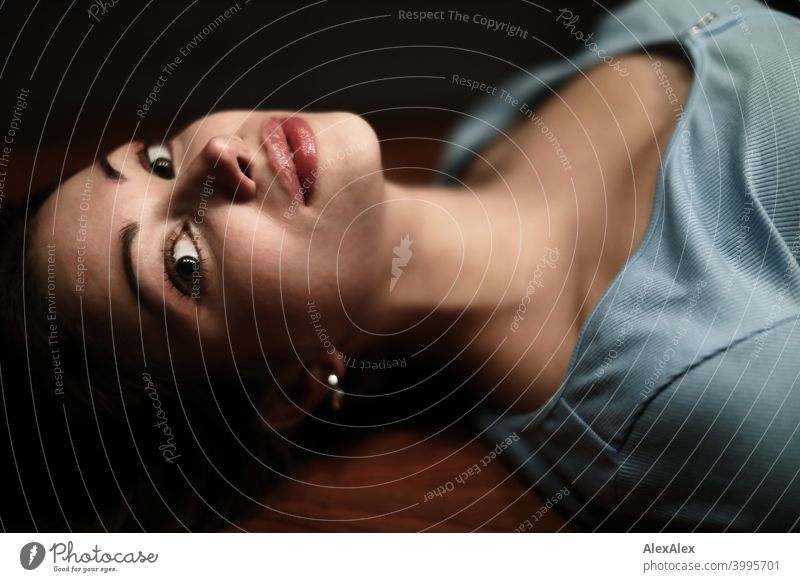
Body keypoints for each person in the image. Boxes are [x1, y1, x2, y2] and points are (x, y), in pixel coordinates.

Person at [1, 0, 798, 532]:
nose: (215, 157)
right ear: (289, 385)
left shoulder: (489, 132)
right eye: (182, 264)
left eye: (157, 162)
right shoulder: (715, 402)